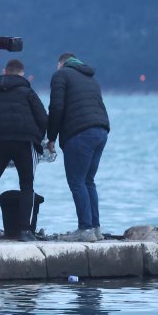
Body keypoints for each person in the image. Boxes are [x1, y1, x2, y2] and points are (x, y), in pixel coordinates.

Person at [0, 59, 48, 242]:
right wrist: (37, 139)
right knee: (27, 185)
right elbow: (43, 118)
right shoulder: (27, 91)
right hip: (24, 141)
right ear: (22, 73)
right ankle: (25, 231)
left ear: (4, 71)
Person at [48, 53, 110, 243]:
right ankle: (95, 229)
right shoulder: (90, 77)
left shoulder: (61, 75)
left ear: (61, 63)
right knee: (88, 181)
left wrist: (51, 137)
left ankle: (85, 229)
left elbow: (56, 107)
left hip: (80, 133)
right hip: (101, 131)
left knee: (77, 182)